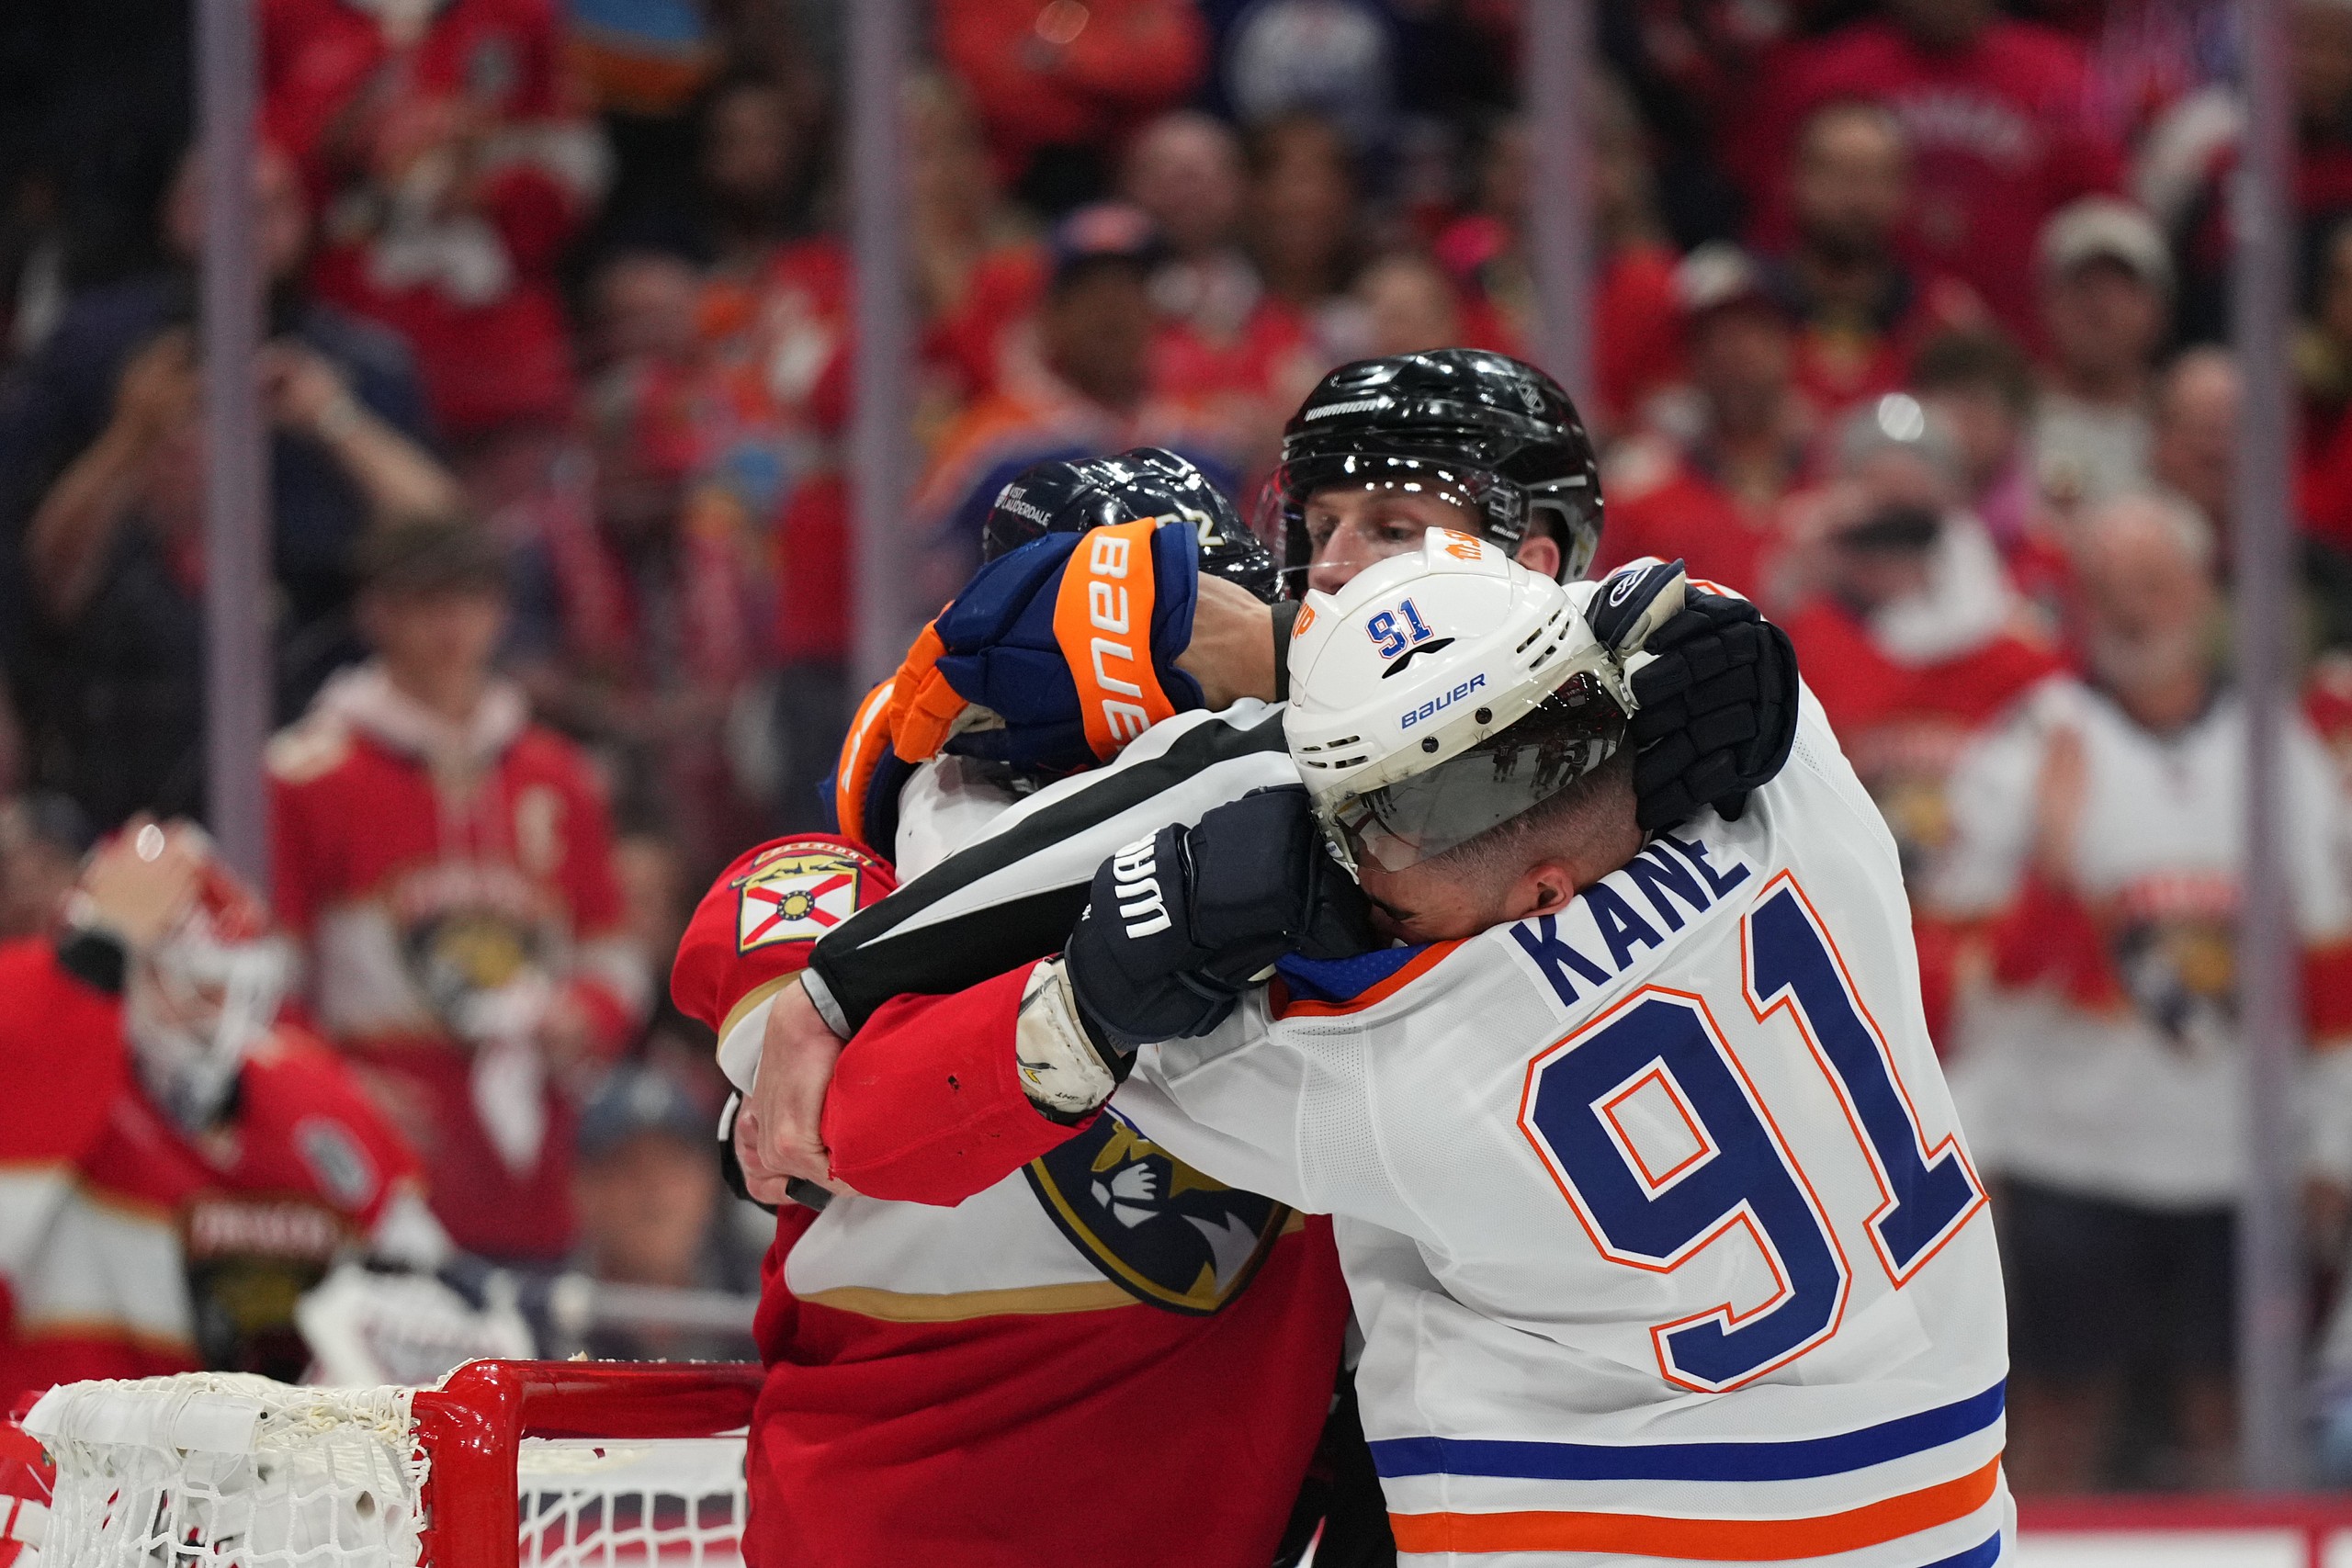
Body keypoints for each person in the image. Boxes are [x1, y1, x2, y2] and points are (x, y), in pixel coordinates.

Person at [755, 533, 2009, 1565]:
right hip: (1949, 1507)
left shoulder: (1372, 1062)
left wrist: (935, 835)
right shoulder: (1799, 790)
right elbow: (1652, 620)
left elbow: (938, 1090)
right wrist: (1304, 644)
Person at [1928, 493, 2352, 1492]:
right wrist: (2053, 873)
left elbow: (2330, 968)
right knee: (2055, 1416)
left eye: (2153, 585)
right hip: (2067, 1148)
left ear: (2202, 593)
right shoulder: (2027, 746)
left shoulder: (2277, 750)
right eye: (2107, 589)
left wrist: (2333, 1133)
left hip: (2239, 1158)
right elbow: (1957, 970)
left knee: (2233, 1425)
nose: (2131, 610)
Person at [0, 145, 459, 828]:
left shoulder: (361, 362)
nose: (243, 225)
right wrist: (133, 436)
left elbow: (450, 544)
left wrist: (334, 422)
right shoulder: (93, 344)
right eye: (214, 200)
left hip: (314, 700)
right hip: (125, 715)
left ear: (305, 224)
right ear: (172, 214)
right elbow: (43, 570)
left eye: (270, 207)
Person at [269, 517, 650, 1264]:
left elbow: (613, 951)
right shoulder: (306, 777)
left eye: (469, 601)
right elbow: (266, 981)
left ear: (499, 613)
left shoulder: (557, 775)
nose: (451, 625)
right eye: (424, 602)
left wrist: (583, 1016)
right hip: (376, 1161)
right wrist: (335, 1091)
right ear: (376, 612)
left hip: (531, 1167)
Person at [0, 820, 447, 1408]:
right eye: (187, 983)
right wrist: (96, 953)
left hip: (264, 1476)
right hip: (69, 1478)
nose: (216, 1013)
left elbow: (433, 1291)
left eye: (230, 986)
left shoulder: (312, 1097)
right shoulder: (53, 1075)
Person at [1740, 0, 2124, 344]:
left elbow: (2103, 224)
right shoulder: (1827, 73)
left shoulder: (2059, 76)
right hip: (1844, 339)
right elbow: (1775, 224)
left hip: (2023, 351)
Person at [911, 203, 1239, 604]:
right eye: (1091, 294)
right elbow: (916, 568)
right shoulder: (992, 444)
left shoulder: (1205, 442)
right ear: (1050, 315)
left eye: (1127, 291)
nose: (1111, 313)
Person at [1596, 244, 1812, 597]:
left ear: (1790, 345)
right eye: (1714, 336)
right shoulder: (1640, 491)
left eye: (1755, 331)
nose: (1736, 351)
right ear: (1690, 357)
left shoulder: (1841, 482)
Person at [1760, 99, 1984, 419]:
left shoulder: (1944, 321)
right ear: (1795, 181)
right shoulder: (1741, 310)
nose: (1859, 198)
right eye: (1841, 175)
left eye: (1879, 177)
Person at [565, 1065, 759, 1361]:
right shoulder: (536, 1314)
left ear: (708, 1182)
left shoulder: (765, 1299)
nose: (654, 1190)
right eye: (628, 1166)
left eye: (674, 1165)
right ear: (584, 1188)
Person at [2030, 198, 2172, 517]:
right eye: (2082, 284)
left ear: (2158, 310)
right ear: (2048, 301)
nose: (2099, 305)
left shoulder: (2181, 429)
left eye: (2121, 287)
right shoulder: (2006, 419)